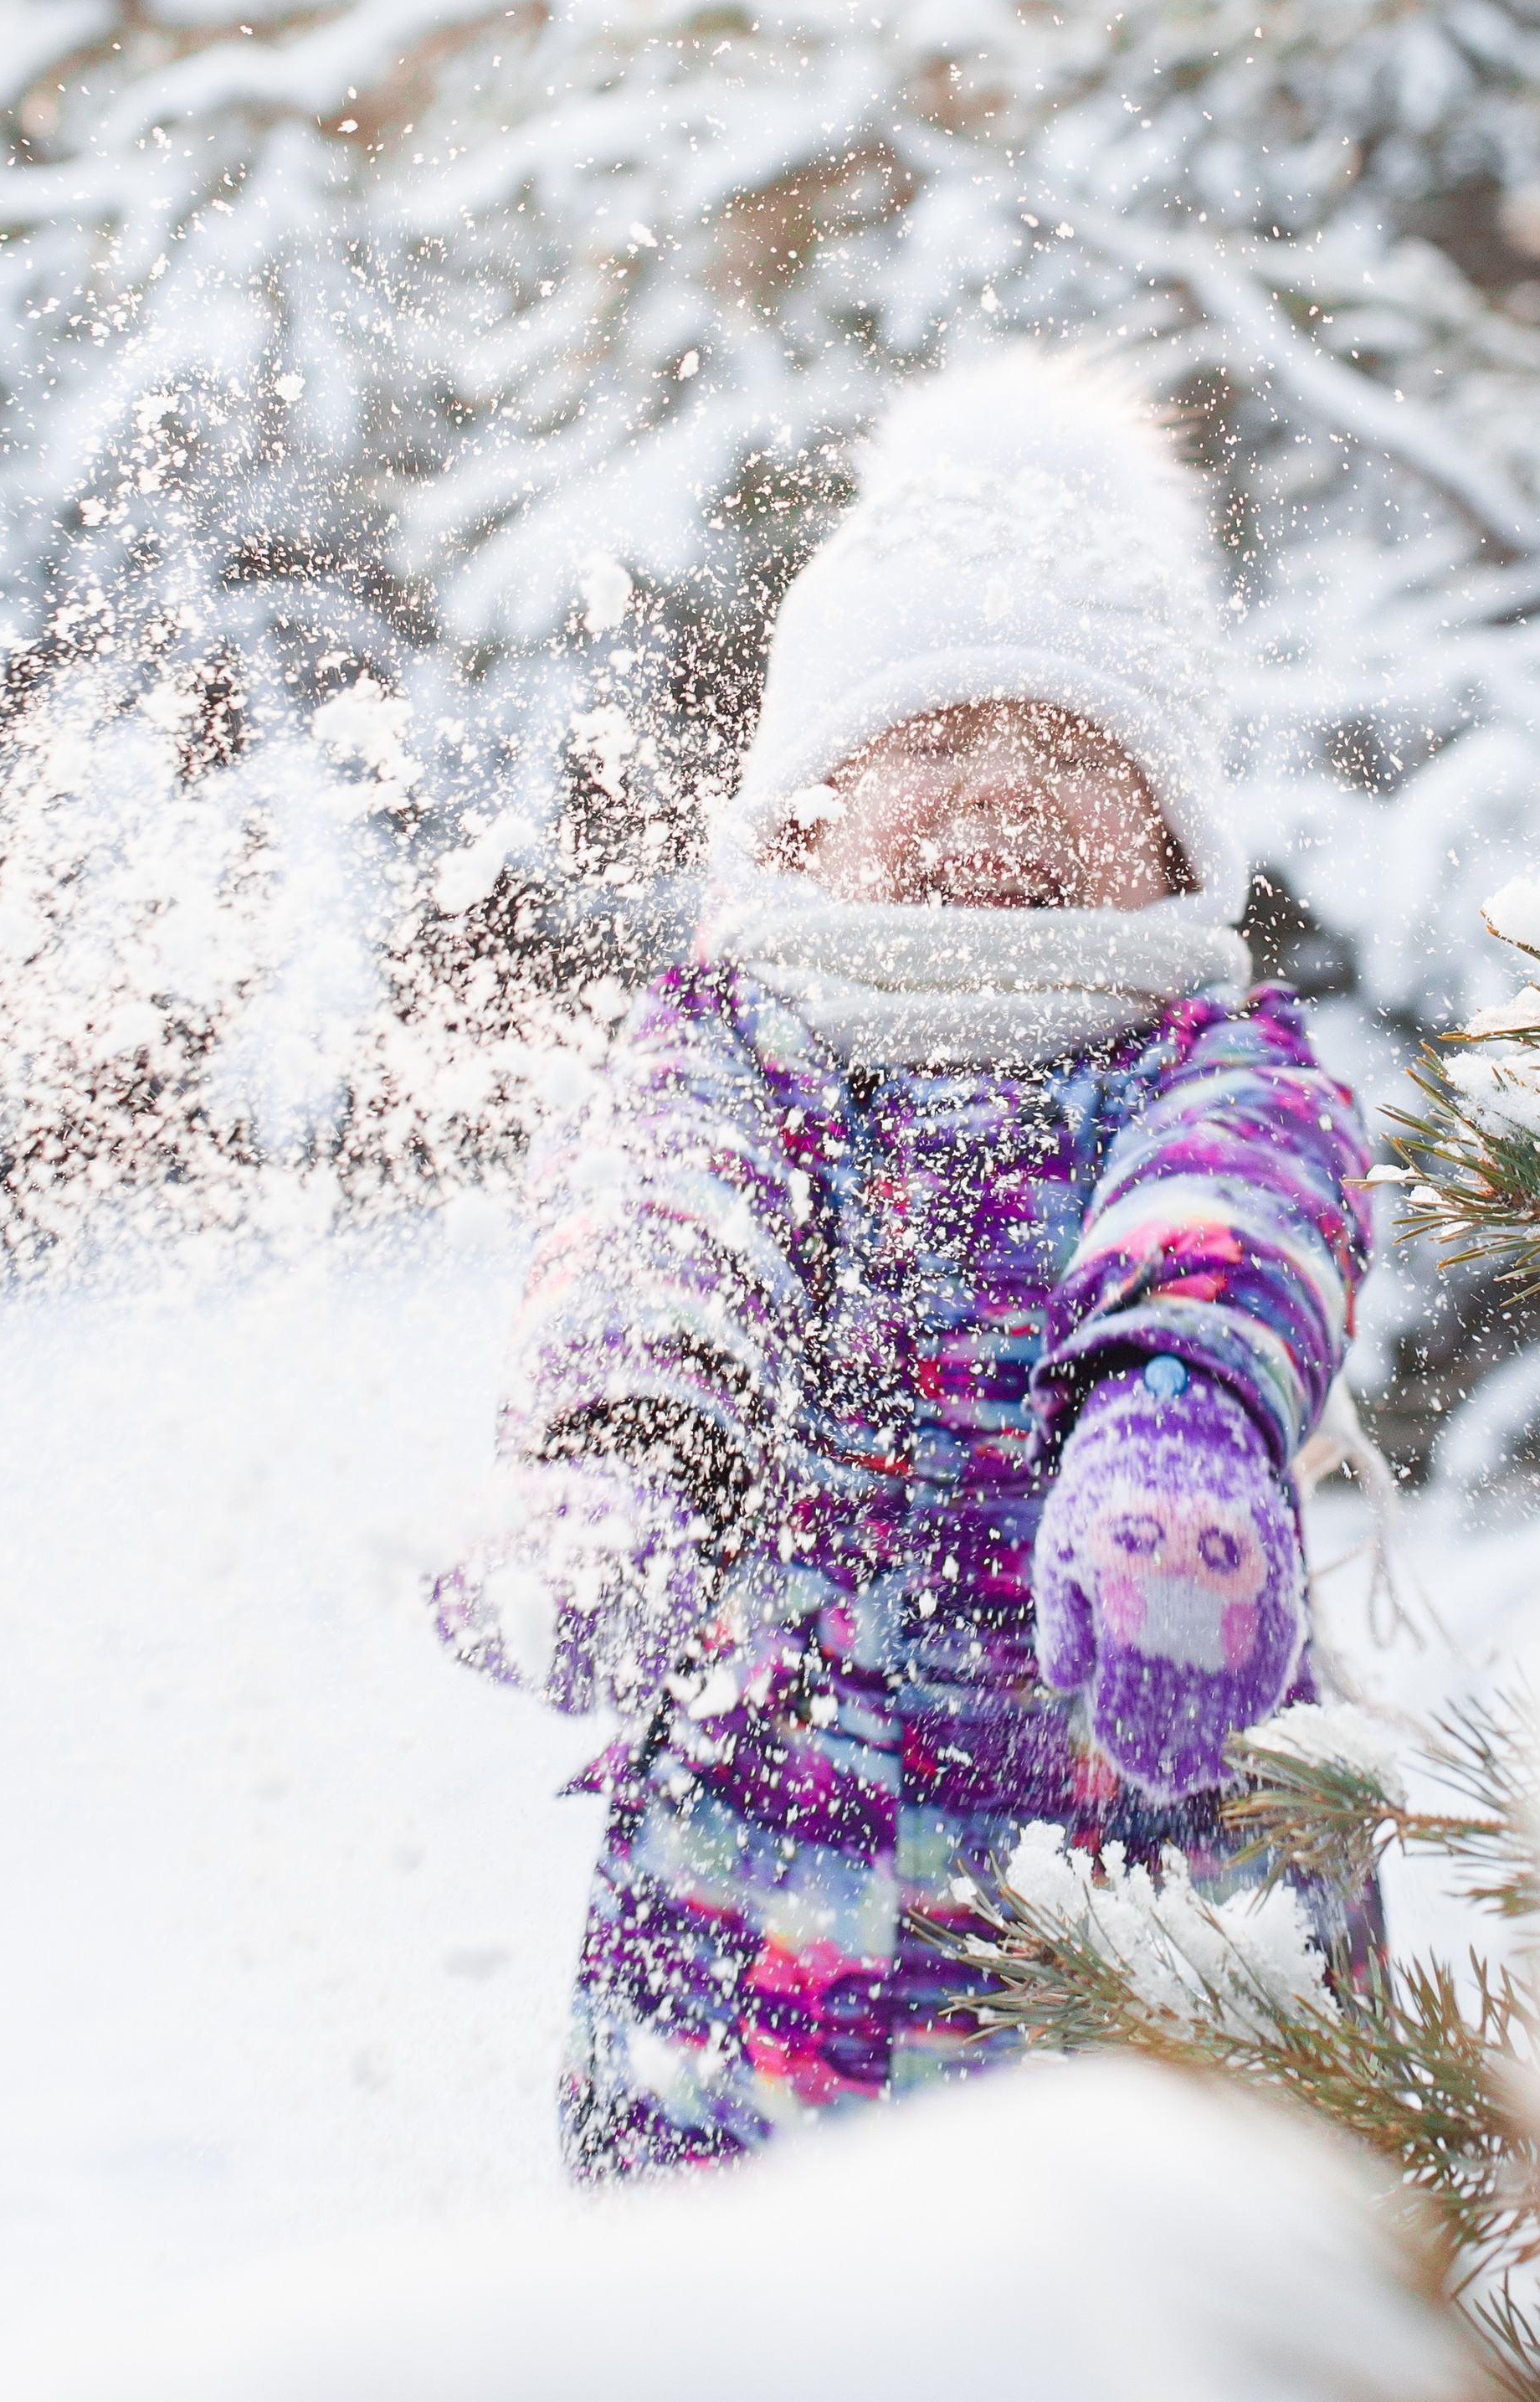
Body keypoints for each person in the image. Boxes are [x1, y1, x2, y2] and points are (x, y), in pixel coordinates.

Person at [431, 352, 1375, 2178]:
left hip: (1149, 1848)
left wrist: (1175, 1421)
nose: (1003, 794)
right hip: (770, 1888)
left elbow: (1241, 1201)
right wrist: (630, 1444)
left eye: (1079, 751)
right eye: (935, 738)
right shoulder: (736, 1043)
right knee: (749, 2325)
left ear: (1178, 834)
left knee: (1188, 2312)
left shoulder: (1203, 1054)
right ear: (800, 807)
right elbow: (658, 1214)